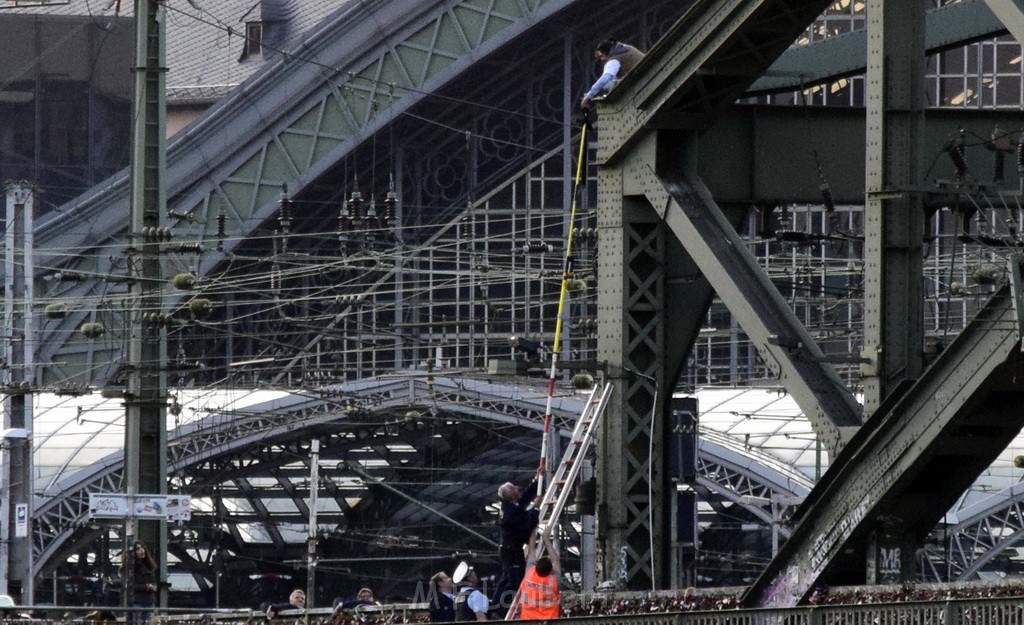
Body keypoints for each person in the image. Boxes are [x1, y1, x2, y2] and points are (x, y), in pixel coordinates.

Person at [492, 476, 541, 611]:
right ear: (510, 495)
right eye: (514, 488)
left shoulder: (512, 504)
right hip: (511, 550)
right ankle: (501, 609)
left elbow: (525, 496)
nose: (517, 488)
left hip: (511, 549)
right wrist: (535, 508)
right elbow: (527, 525)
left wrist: (536, 480)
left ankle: (495, 607)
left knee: (507, 578)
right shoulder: (511, 512)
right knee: (515, 579)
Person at [580, 38, 645, 108]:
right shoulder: (629, 48)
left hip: (639, 83)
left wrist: (589, 96)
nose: (602, 59)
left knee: (608, 83)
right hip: (644, 75)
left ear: (607, 52)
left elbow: (605, 79)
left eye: (602, 55)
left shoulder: (614, 60)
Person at [519, 537, 561, 620]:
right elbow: (555, 560)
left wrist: (533, 529)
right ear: (550, 571)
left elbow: (531, 550)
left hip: (528, 620)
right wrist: (546, 539)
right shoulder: (554, 581)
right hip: (549, 621)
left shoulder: (529, 573)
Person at [119, 541, 157, 625]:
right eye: (138, 549)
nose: (141, 550)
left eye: (142, 548)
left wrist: (153, 587)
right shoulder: (129, 569)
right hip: (137, 602)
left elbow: (154, 582)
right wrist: (146, 587)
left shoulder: (148, 566)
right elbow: (130, 585)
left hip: (149, 601)